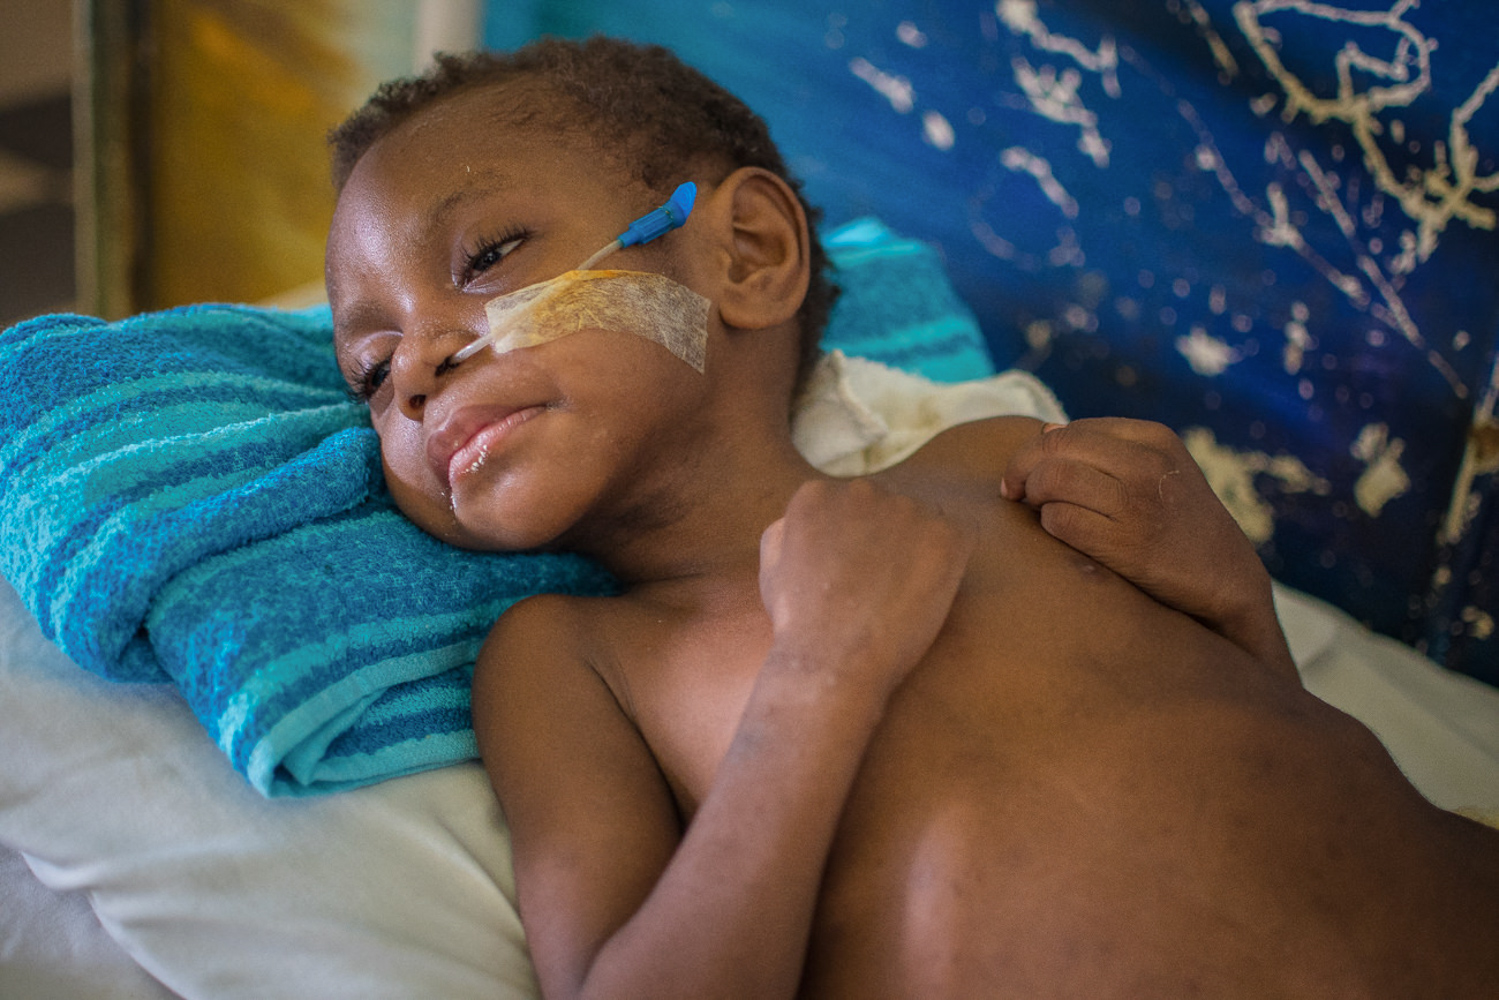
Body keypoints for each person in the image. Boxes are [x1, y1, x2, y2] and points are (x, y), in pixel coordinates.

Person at [324, 36, 1499, 999]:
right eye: (370, 374)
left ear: (744, 252)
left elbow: (1248, 778)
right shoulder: (575, 666)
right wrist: (817, 678)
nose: (418, 365)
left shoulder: (995, 467)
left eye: (483, 255)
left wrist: (1232, 604)